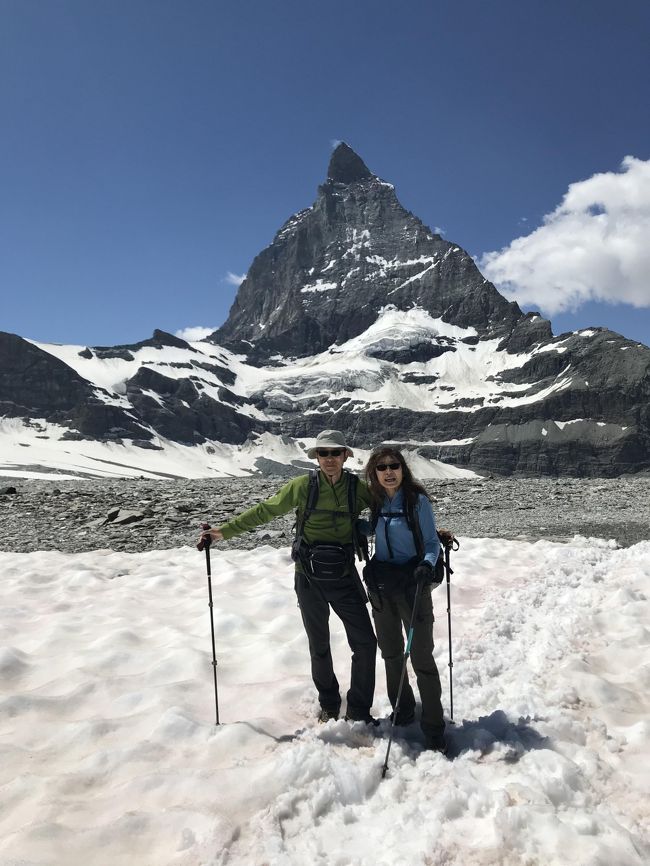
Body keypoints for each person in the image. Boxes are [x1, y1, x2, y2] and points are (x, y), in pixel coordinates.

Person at [201, 430, 378, 725]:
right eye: (324, 453)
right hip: (308, 578)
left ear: (346, 455)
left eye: (336, 453)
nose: (330, 459)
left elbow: (388, 513)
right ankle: (330, 704)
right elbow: (266, 511)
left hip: (345, 576)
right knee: (318, 645)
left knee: (365, 643)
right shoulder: (301, 486)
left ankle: (359, 710)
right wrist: (223, 532)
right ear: (316, 457)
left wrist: (380, 527)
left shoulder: (358, 489)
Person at [363, 445, 446, 752]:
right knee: (391, 653)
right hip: (383, 586)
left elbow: (431, 541)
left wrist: (427, 563)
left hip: (414, 585)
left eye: (393, 466)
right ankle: (403, 708)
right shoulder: (375, 502)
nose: (388, 472)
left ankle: (434, 728)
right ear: (374, 472)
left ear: (402, 469)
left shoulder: (417, 501)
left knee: (421, 657)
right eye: (382, 467)